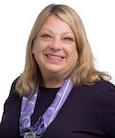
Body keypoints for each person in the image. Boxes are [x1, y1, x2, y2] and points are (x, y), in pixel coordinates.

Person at [0, 3, 115, 138]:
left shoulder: (102, 95)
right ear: (33, 46)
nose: (55, 46)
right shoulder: (20, 88)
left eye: (67, 39)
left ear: (79, 50)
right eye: (46, 36)